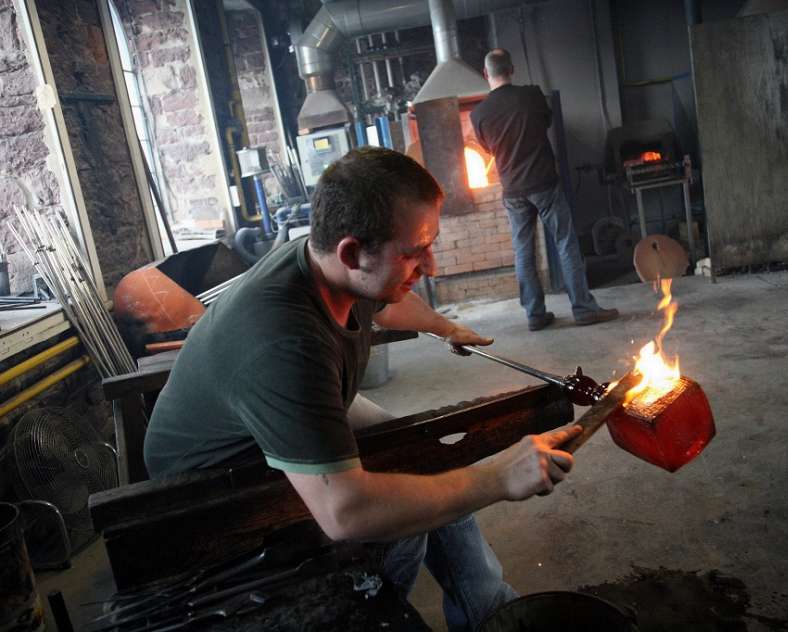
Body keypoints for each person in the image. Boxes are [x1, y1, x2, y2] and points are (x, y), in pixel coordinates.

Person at [144, 147, 581, 631]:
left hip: (280, 415)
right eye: (415, 252)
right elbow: (345, 513)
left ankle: (489, 610)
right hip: (207, 483)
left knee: (427, 456)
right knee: (398, 521)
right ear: (352, 251)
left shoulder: (327, 264)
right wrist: (499, 478)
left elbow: (386, 302)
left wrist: (443, 326)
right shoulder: (285, 343)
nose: (430, 267)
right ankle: (371, 609)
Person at [471, 48, 619, 331]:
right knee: (565, 242)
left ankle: (535, 315)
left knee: (523, 251)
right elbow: (546, 122)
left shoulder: (479, 114)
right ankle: (583, 309)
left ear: (485, 74)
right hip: (544, 183)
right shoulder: (532, 96)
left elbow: (487, 148)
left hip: (513, 190)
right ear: (512, 69)